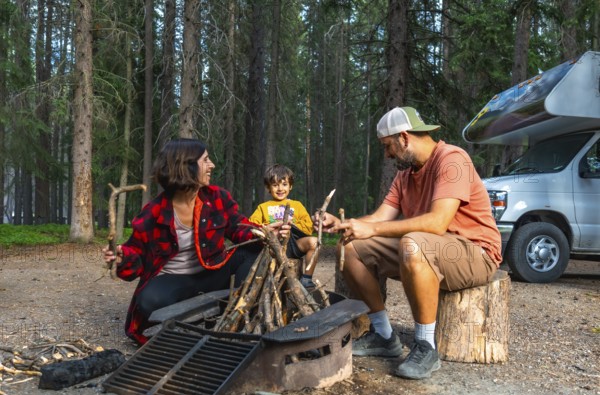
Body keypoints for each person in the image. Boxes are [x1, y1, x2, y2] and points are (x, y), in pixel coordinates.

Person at [315, 106, 502, 379]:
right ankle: (384, 336)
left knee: (411, 243)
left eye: (387, 146)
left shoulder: (452, 160)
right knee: (349, 246)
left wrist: (375, 228)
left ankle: (426, 345)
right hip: (429, 247)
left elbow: (438, 222)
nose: (387, 155)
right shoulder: (405, 175)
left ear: (404, 137)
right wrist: (345, 224)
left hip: (475, 251)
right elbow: (379, 218)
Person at [103, 138, 288, 345]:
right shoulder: (154, 212)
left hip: (214, 271)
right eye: (206, 160)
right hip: (175, 280)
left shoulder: (217, 197)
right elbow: (135, 252)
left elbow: (239, 227)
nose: (212, 165)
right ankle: (192, 321)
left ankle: (235, 313)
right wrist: (122, 257)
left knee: (252, 254)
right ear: (186, 166)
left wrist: (263, 232)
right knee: (148, 301)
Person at [249, 164, 318, 289]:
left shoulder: (297, 205)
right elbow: (252, 226)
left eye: (284, 184)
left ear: (290, 186)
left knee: (315, 242)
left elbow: (308, 227)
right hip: (271, 247)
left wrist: (293, 224)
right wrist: (269, 227)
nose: (280, 188)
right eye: (275, 185)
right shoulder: (263, 207)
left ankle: (307, 279)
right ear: (268, 187)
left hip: (293, 244)